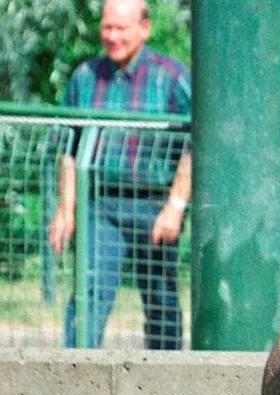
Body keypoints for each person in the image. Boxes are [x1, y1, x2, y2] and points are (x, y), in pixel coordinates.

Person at [47, 0, 191, 350]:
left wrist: (175, 206)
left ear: (144, 28)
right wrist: (66, 210)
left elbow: (194, 146)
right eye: (106, 27)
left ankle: (166, 380)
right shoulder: (85, 77)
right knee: (89, 293)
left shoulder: (171, 76)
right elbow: (69, 148)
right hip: (101, 204)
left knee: (161, 300)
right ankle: (75, 375)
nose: (112, 36)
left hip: (155, 205)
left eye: (121, 28)